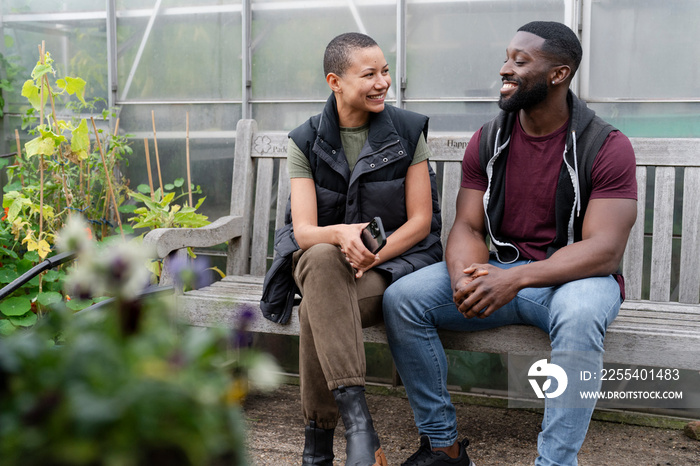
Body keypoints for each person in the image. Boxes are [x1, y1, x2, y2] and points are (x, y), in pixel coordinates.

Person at [383, 21, 637, 466]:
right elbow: (467, 227)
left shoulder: (606, 145)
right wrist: (466, 277)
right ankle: (443, 447)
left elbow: (604, 250)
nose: (505, 68)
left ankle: (554, 462)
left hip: (573, 280)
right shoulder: (489, 139)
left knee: (579, 317)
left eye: (520, 61)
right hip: (501, 272)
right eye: (506, 57)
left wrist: (514, 279)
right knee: (403, 299)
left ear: (558, 74)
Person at [261, 32, 443, 466]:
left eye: (385, 71)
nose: (383, 82)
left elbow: (420, 222)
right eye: (370, 74)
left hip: (391, 267)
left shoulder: (407, 131)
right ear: (335, 81)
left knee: (313, 310)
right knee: (322, 259)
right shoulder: (304, 140)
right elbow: (304, 231)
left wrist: (372, 255)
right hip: (327, 266)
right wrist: (342, 235)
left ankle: (319, 448)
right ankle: (359, 426)